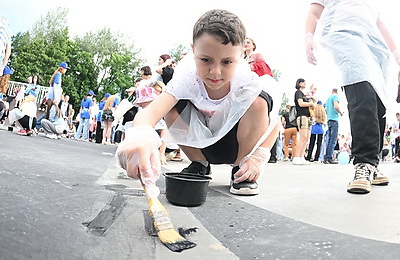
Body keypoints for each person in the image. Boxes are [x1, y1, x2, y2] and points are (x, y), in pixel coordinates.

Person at [116, 9, 281, 196]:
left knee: (259, 102)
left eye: (227, 62)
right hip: (200, 146)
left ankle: (240, 170)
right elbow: (150, 113)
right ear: (193, 50)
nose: (215, 71)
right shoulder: (187, 78)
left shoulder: (246, 81)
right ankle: (199, 164)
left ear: (241, 54)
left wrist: (258, 157)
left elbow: (275, 123)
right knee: (170, 108)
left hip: (236, 146)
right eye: (205, 60)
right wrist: (140, 137)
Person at [305, 0, 398, 193]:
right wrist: (308, 37)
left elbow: (379, 22)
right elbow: (314, 13)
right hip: (345, 36)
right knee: (361, 92)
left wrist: (396, 53)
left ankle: (373, 163)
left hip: (375, 46)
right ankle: (363, 163)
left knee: (378, 102)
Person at [292, 78, 314, 165]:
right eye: (303, 82)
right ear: (299, 83)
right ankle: (296, 157)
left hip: (307, 117)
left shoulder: (303, 94)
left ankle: (301, 157)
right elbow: (301, 103)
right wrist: (310, 104)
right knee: (303, 137)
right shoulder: (298, 92)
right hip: (302, 117)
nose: (305, 84)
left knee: (306, 138)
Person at [323, 88, 343, 164]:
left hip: (329, 119)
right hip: (334, 119)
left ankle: (326, 157)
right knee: (333, 140)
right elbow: (336, 106)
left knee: (329, 139)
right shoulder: (335, 97)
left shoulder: (328, 99)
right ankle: (330, 157)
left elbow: (325, 108)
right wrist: (340, 112)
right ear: (337, 92)